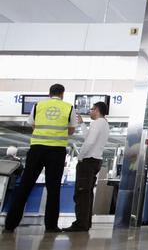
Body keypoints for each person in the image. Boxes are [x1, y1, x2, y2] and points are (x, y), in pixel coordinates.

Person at [3, 84, 77, 233]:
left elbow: (33, 124)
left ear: (49, 94)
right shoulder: (69, 107)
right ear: (62, 94)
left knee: (25, 185)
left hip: (37, 149)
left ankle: (10, 224)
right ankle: (51, 226)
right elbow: (71, 130)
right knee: (53, 188)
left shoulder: (38, 105)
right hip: (57, 151)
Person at [63, 101, 110, 232]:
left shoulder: (97, 123)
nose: (90, 111)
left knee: (81, 193)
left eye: (92, 109)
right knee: (87, 193)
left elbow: (89, 142)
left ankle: (80, 224)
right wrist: (82, 124)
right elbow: (89, 137)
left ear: (97, 110)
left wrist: (80, 157)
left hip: (88, 161)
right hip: (95, 161)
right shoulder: (104, 124)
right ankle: (85, 222)